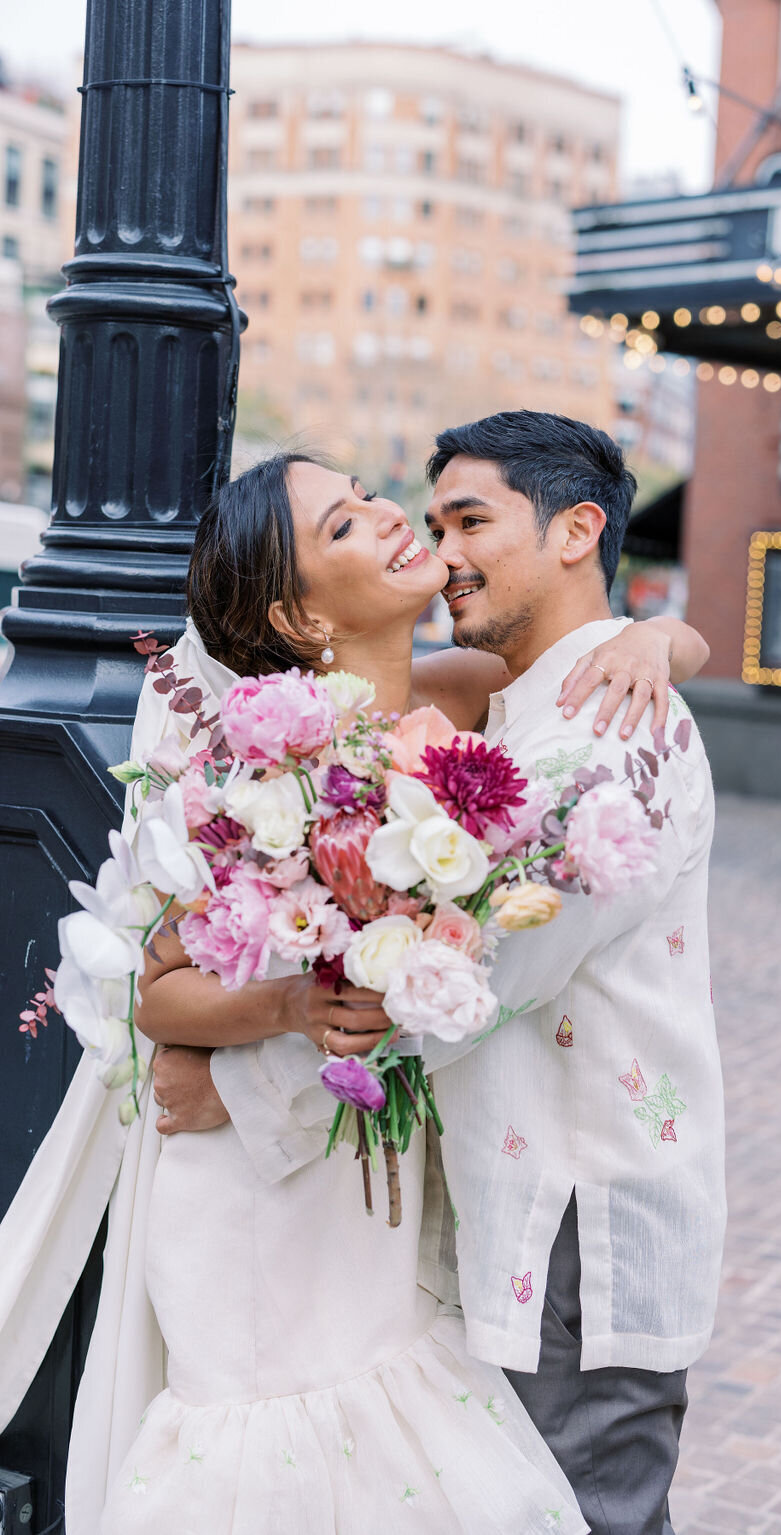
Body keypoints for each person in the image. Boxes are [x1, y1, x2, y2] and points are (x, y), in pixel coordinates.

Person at [0, 444, 711, 1534]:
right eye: (346, 524)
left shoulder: (464, 713)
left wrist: (661, 634)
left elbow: (465, 979)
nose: (399, 524)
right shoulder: (251, 773)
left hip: (378, 1192)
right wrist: (266, 1023)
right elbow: (156, 992)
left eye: (381, 501)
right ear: (295, 616)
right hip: (276, 1200)